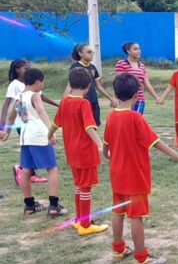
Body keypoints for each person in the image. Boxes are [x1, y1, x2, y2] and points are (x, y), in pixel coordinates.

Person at [104, 73, 178, 264]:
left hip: (116, 173)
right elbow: (156, 143)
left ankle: (118, 248)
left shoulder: (111, 116)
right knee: (136, 216)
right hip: (134, 175)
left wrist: (107, 155)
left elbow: (106, 146)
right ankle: (142, 258)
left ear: (115, 93)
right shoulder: (135, 118)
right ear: (137, 94)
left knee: (118, 211)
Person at [49, 68, 109, 235]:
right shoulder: (84, 103)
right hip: (85, 153)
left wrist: (49, 136)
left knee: (79, 185)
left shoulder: (65, 101)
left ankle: (79, 219)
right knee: (86, 187)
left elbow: (55, 123)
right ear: (88, 85)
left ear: (70, 84)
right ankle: (85, 225)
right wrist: (100, 145)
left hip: (72, 152)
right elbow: (90, 127)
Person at [0, 68, 66, 216]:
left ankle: (29, 205)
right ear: (37, 82)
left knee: (26, 170)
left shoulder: (19, 97)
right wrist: (51, 132)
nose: (42, 85)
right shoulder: (35, 96)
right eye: (43, 82)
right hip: (39, 136)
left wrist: (7, 132)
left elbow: (12, 116)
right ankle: (54, 205)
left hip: (25, 137)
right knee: (52, 168)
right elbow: (42, 112)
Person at [1, 60, 57, 185]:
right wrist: (3, 128)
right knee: (44, 159)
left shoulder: (33, 88)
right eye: (25, 68)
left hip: (30, 126)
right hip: (26, 125)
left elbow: (42, 97)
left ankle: (26, 172)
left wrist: (57, 104)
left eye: (29, 68)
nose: (28, 70)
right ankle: (26, 171)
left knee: (29, 150)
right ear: (17, 70)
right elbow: (7, 108)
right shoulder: (15, 85)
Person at [64, 44, 117, 127]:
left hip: (93, 101)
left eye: (92, 52)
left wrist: (111, 98)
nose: (92, 54)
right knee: (82, 126)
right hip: (81, 102)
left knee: (94, 125)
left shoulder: (93, 67)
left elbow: (98, 86)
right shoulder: (75, 67)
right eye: (89, 52)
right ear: (80, 53)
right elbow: (70, 85)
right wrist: (64, 101)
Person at [115, 42, 160, 115]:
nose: (138, 51)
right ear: (128, 51)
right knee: (126, 121)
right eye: (135, 49)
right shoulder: (121, 63)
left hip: (139, 99)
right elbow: (119, 83)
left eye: (139, 49)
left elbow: (147, 84)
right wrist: (115, 98)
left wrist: (156, 97)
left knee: (137, 120)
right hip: (126, 100)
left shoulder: (142, 66)